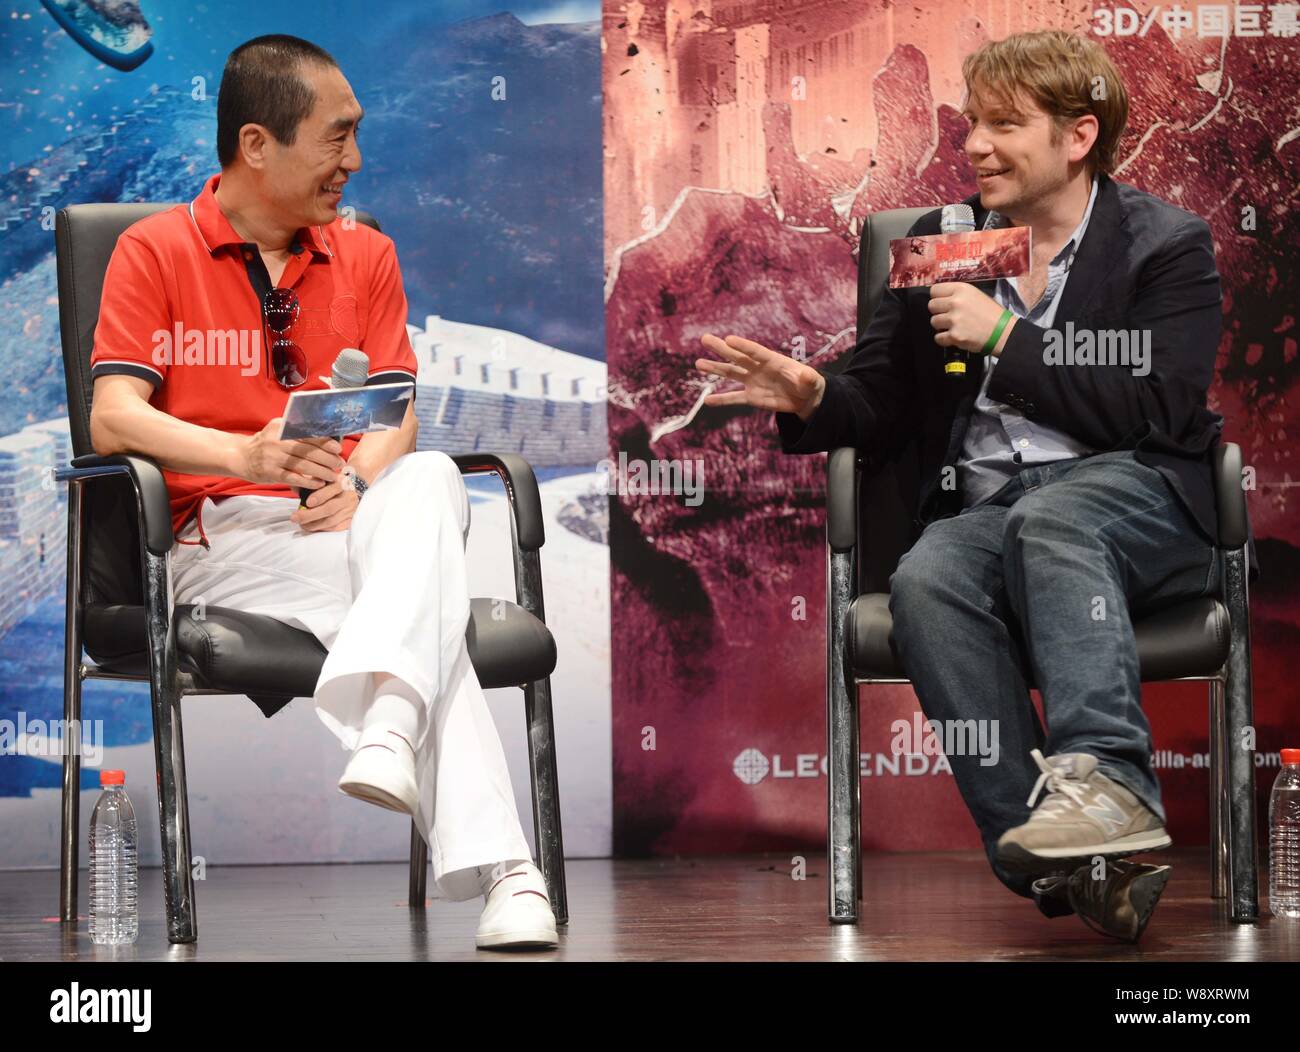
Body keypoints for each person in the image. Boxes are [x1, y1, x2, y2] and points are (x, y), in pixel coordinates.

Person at [694, 30, 1228, 942]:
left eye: (1004, 125)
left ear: (1078, 136)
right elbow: (882, 403)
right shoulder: (946, 243)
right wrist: (817, 396)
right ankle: (1072, 861)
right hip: (992, 511)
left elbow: (1162, 410)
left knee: (1054, 520)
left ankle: (1111, 781)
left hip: (1136, 497)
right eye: (973, 122)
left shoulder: (1162, 245)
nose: (973, 143)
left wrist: (1003, 340)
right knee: (927, 578)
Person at [87, 34, 557, 950]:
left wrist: (354, 477)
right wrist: (246, 458)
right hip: (216, 535)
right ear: (257, 144)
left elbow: (397, 416)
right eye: (336, 138)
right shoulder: (153, 251)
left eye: (357, 136)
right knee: (428, 616)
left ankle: (390, 727)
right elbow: (113, 420)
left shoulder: (364, 255)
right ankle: (509, 872)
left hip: (348, 517)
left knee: (422, 477)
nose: (356, 161)